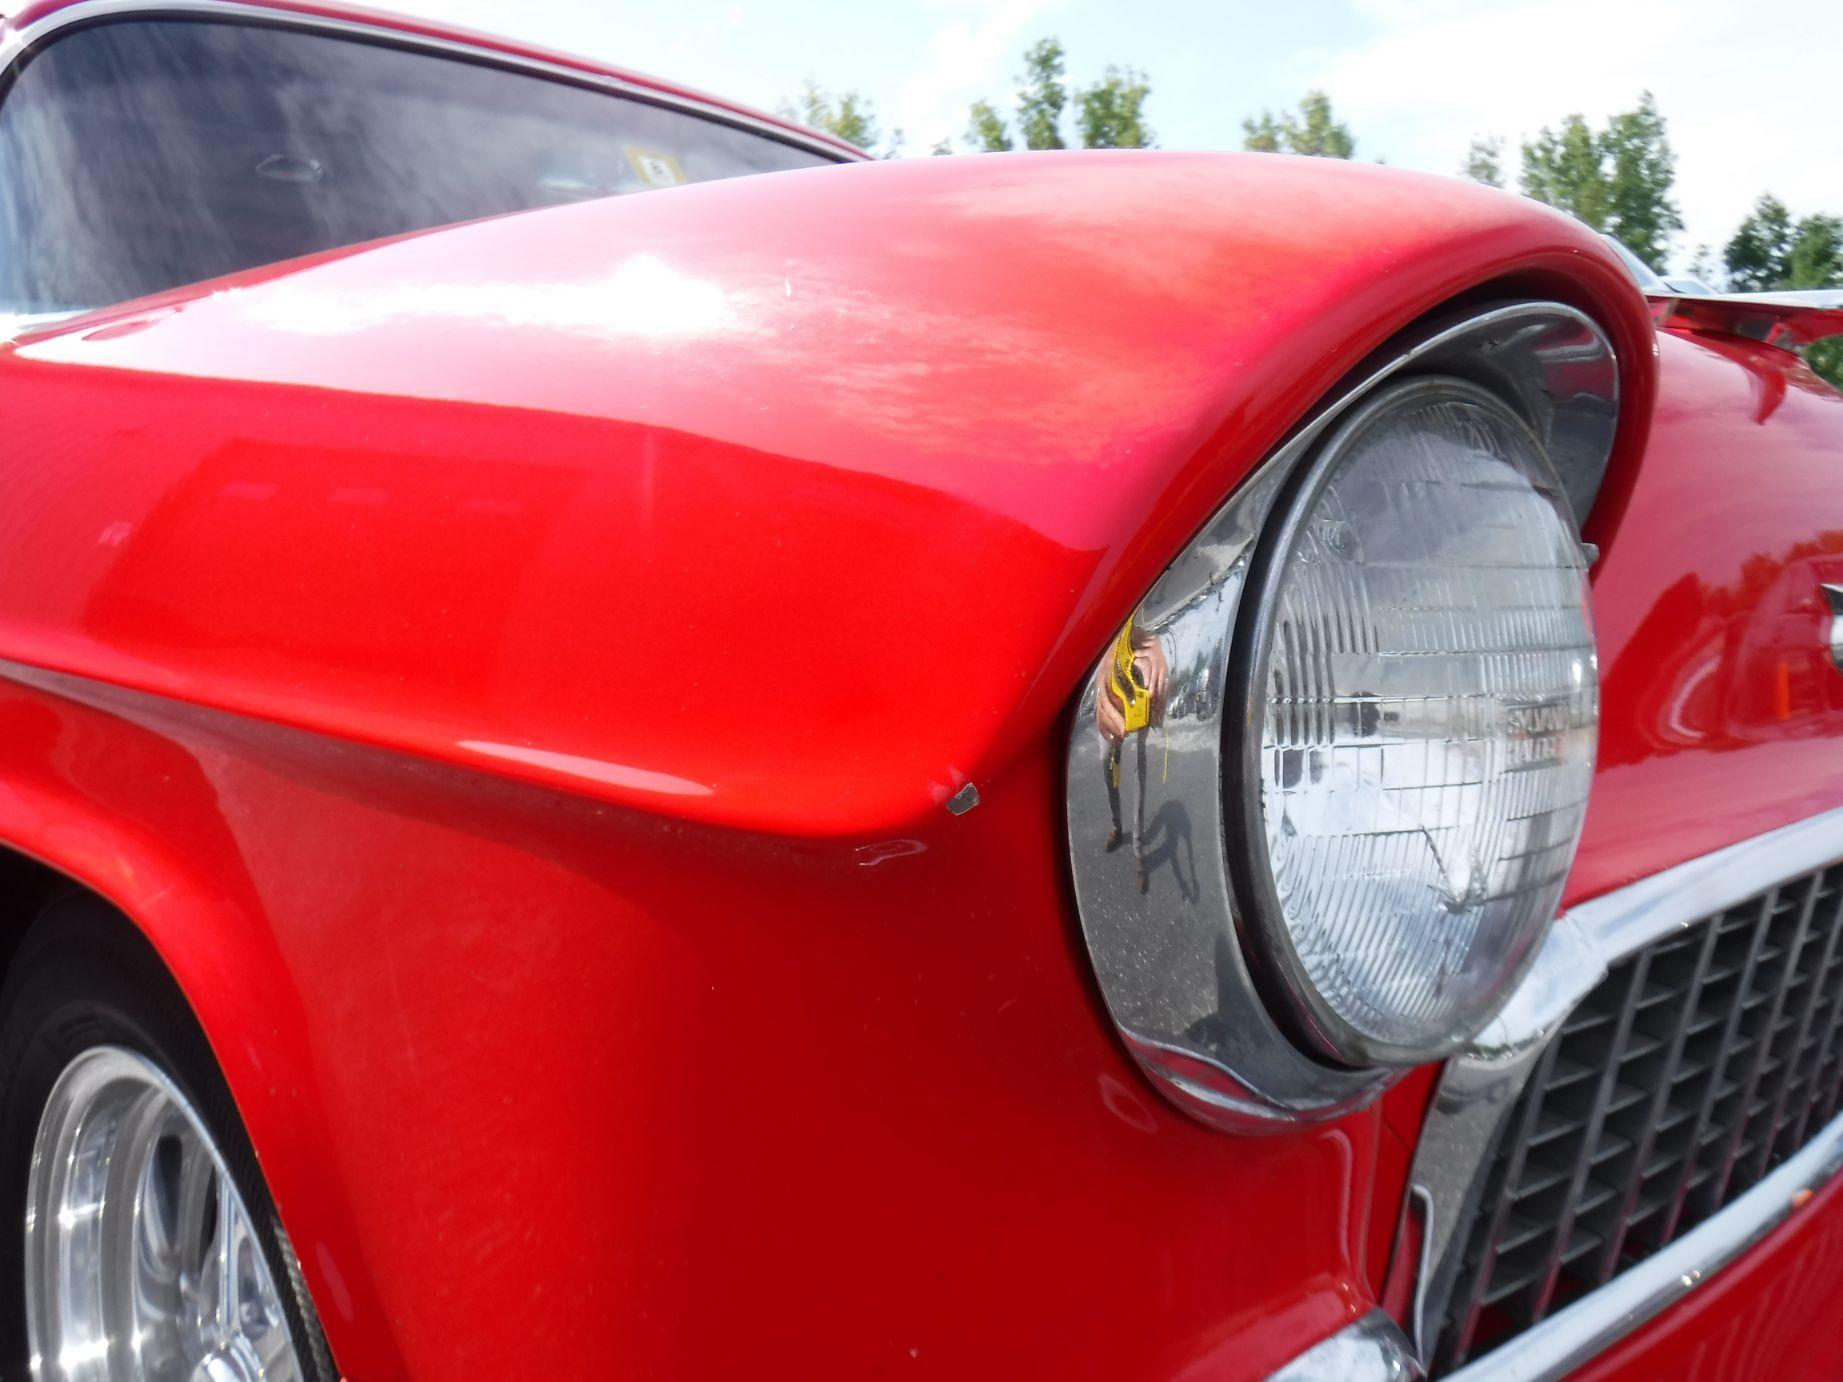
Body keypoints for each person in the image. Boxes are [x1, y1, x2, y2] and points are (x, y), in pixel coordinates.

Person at [1094, 617, 1168, 892]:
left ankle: (1138, 854)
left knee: (1139, 777)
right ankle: (1117, 826)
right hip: (1111, 696)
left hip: (1140, 701)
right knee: (1106, 768)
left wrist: (1154, 645)